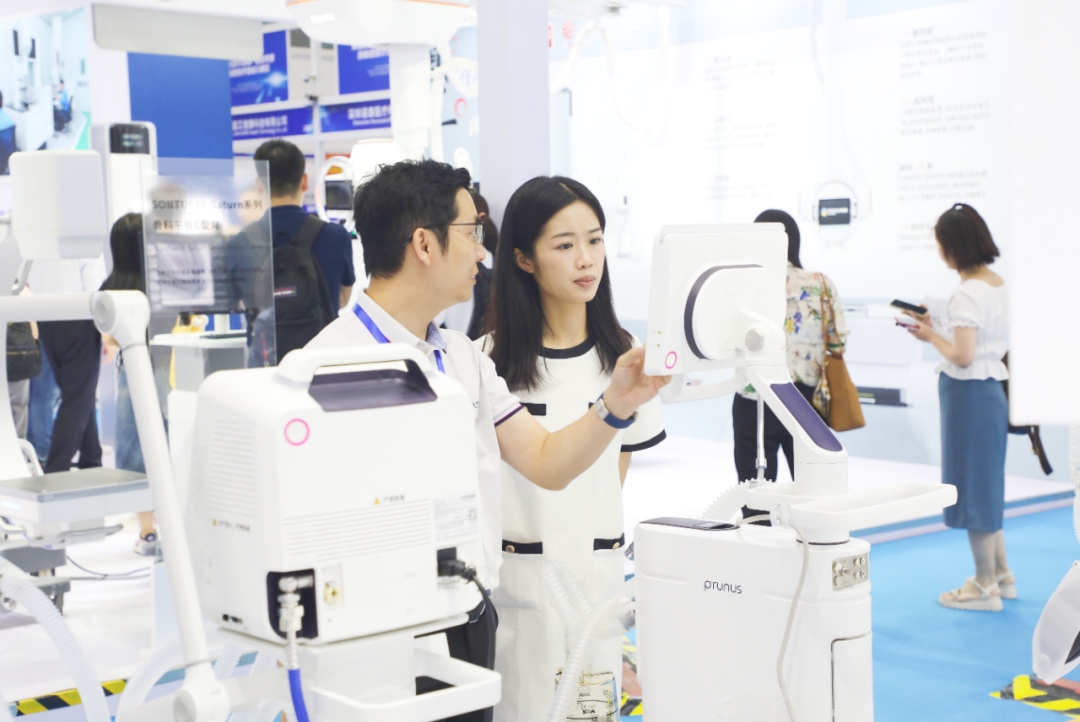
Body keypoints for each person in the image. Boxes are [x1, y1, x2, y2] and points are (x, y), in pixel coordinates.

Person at [306, 159, 669, 722]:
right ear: (424, 244)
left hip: (469, 619)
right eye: (470, 232)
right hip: (380, 633)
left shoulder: (460, 358)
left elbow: (545, 461)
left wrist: (615, 403)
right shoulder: (329, 365)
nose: (481, 252)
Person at [478, 176, 665, 722]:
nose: (586, 259)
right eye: (564, 245)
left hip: (596, 584)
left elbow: (612, 475)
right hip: (518, 592)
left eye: (595, 239)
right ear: (523, 259)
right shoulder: (486, 361)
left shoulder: (628, 358)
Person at [903, 203, 1012, 612]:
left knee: (972, 489)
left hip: (969, 396)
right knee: (986, 485)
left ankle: (984, 586)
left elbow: (963, 357)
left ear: (953, 246)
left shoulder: (967, 291)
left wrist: (930, 336)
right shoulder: (996, 284)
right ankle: (1000, 574)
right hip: (989, 393)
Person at [733, 210, 849, 521]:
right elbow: (838, 341)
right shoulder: (820, 284)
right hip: (806, 401)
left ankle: (759, 547)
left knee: (756, 499)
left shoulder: (743, 286)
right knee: (813, 497)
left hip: (755, 398)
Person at [99, 213, 160, 554]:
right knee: (173, 446)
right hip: (171, 368)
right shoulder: (165, 283)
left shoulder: (112, 289)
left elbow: (108, 341)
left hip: (133, 374)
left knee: (136, 454)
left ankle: (148, 532)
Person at [254, 139, 355, 311]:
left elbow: (244, 303)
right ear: (304, 181)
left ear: (259, 184)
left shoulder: (243, 240)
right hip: (323, 330)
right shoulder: (337, 237)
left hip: (264, 330)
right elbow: (343, 300)